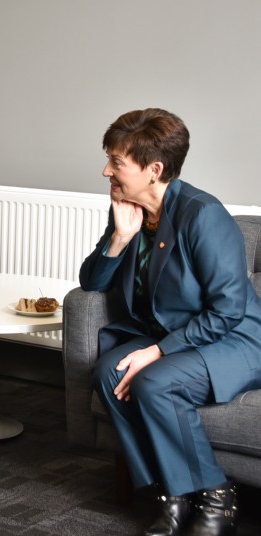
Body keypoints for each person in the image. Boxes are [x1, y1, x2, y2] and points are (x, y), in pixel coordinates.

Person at [81, 108, 261, 536]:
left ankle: (217, 496)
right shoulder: (128, 210)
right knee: (109, 372)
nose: (107, 170)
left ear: (154, 169)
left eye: (117, 162)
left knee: (154, 380)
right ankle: (172, 495)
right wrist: (119, 239)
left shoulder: (203, 216)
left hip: (233, 339)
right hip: (174, 335)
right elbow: (92, 282)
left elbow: (228, 310)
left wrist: (157, 351)